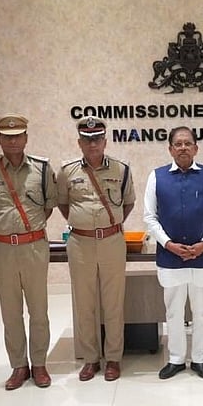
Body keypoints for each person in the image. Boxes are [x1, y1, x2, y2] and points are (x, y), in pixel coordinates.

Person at [0, 114, 57, 390]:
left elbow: (48, 206)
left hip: (34, 245)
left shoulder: (42, 169)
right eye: (6, 136)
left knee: (39, 309)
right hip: (1, 248)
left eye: (17, 136)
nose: (12, 141)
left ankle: (40, 364)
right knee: (10, 311)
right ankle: (19, 366)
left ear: (26, 138)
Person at [55, 117, 135, 382]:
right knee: (85, 302)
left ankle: (113, 358)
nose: (93, 143)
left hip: (112, 241)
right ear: (79, 142)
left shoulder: (122, 170)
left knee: (113, 303)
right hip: (80, 243)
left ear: (105, 141)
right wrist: (85, 225)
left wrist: (107, 224)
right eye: (87, 139)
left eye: (97, 138)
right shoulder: (67, 171)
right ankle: (91, 359)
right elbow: (64, 205)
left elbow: (127, 204)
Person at [143, 126, 203, 380]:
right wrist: (168, 244)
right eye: (177, 144)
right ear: (170, 149)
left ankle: (200, 359)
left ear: (196, 148)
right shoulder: (156, 177)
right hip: (170, 257)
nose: (183, 148)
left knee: (201, 311)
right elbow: (150, 217)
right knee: (174, 311)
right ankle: (177, 359)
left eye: (187, 143)